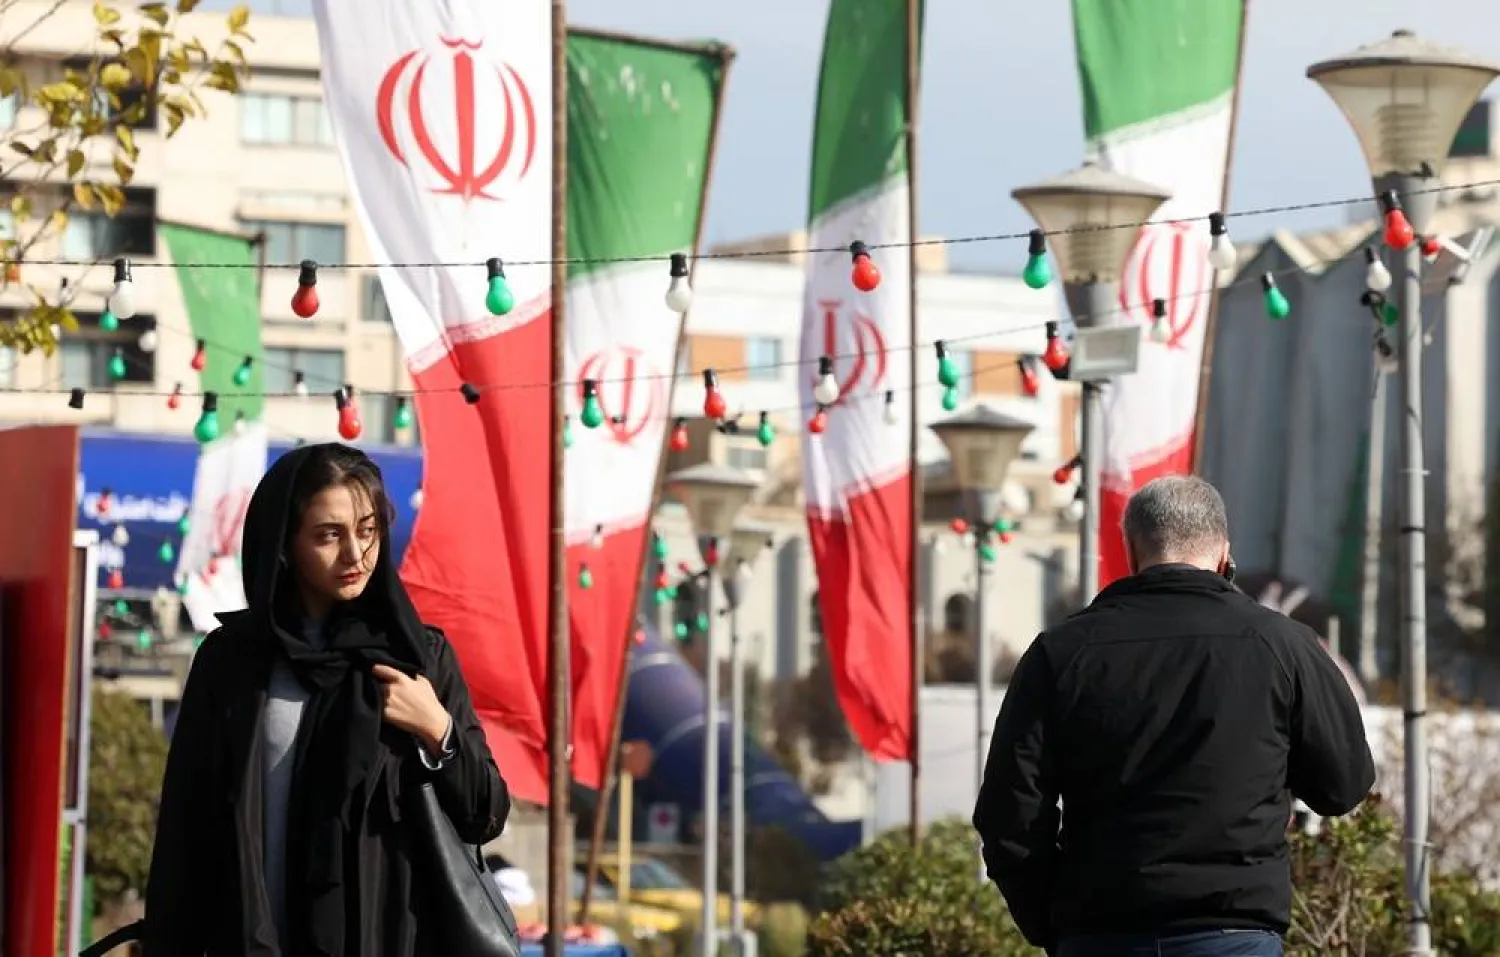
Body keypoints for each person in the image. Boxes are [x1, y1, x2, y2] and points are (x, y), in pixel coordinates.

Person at [973, 476, 1374, 957]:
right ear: (1225, 553)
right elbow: (1343, 787)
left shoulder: (1062, 651)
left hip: (1099, 934)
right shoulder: (1284, 646)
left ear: (1130, 550)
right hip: (1234, 935)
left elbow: (1007, 815)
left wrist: (1054, 925)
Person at [144, 443, 510, 957]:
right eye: (328, 535)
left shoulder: (417, 658)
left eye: (367, 531)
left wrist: (437, 730)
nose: (354, 556)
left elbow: (486, 814)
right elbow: (185, 827)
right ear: (285, 544)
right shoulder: (232, 663)